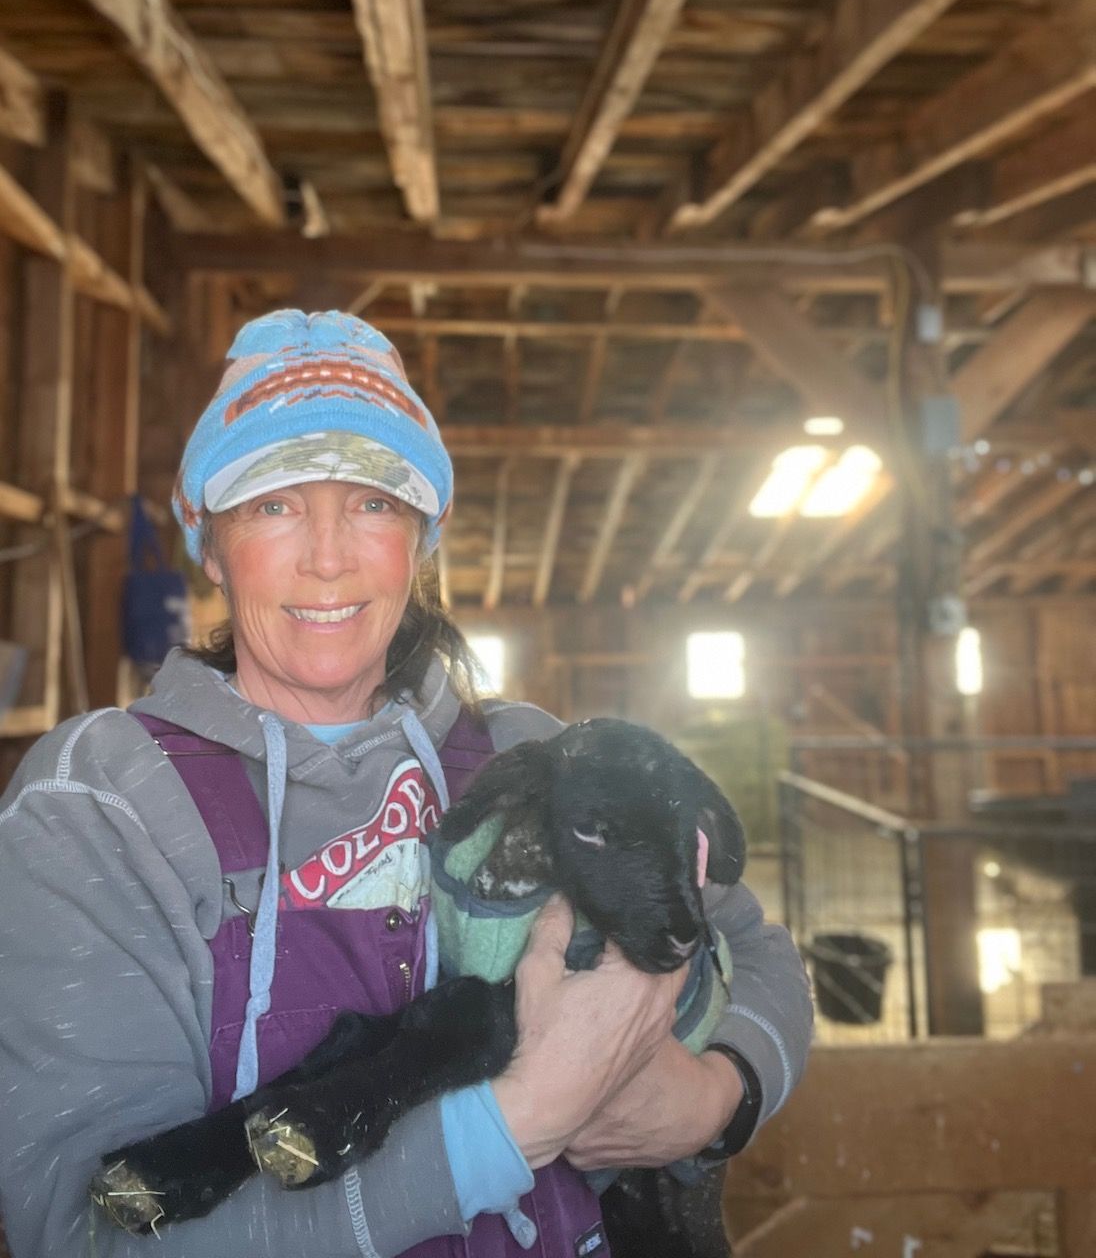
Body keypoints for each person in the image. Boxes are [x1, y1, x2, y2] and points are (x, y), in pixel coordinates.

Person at [0, 310, 813, 1258]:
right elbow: (88, 1234)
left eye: (375, 503)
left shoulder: (532, 759)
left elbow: (756, 951)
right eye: (273, 504)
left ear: (422, 540)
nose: (330, 554)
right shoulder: (102, 802)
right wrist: (511, 1124)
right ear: (209, 545)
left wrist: (717, 1096)